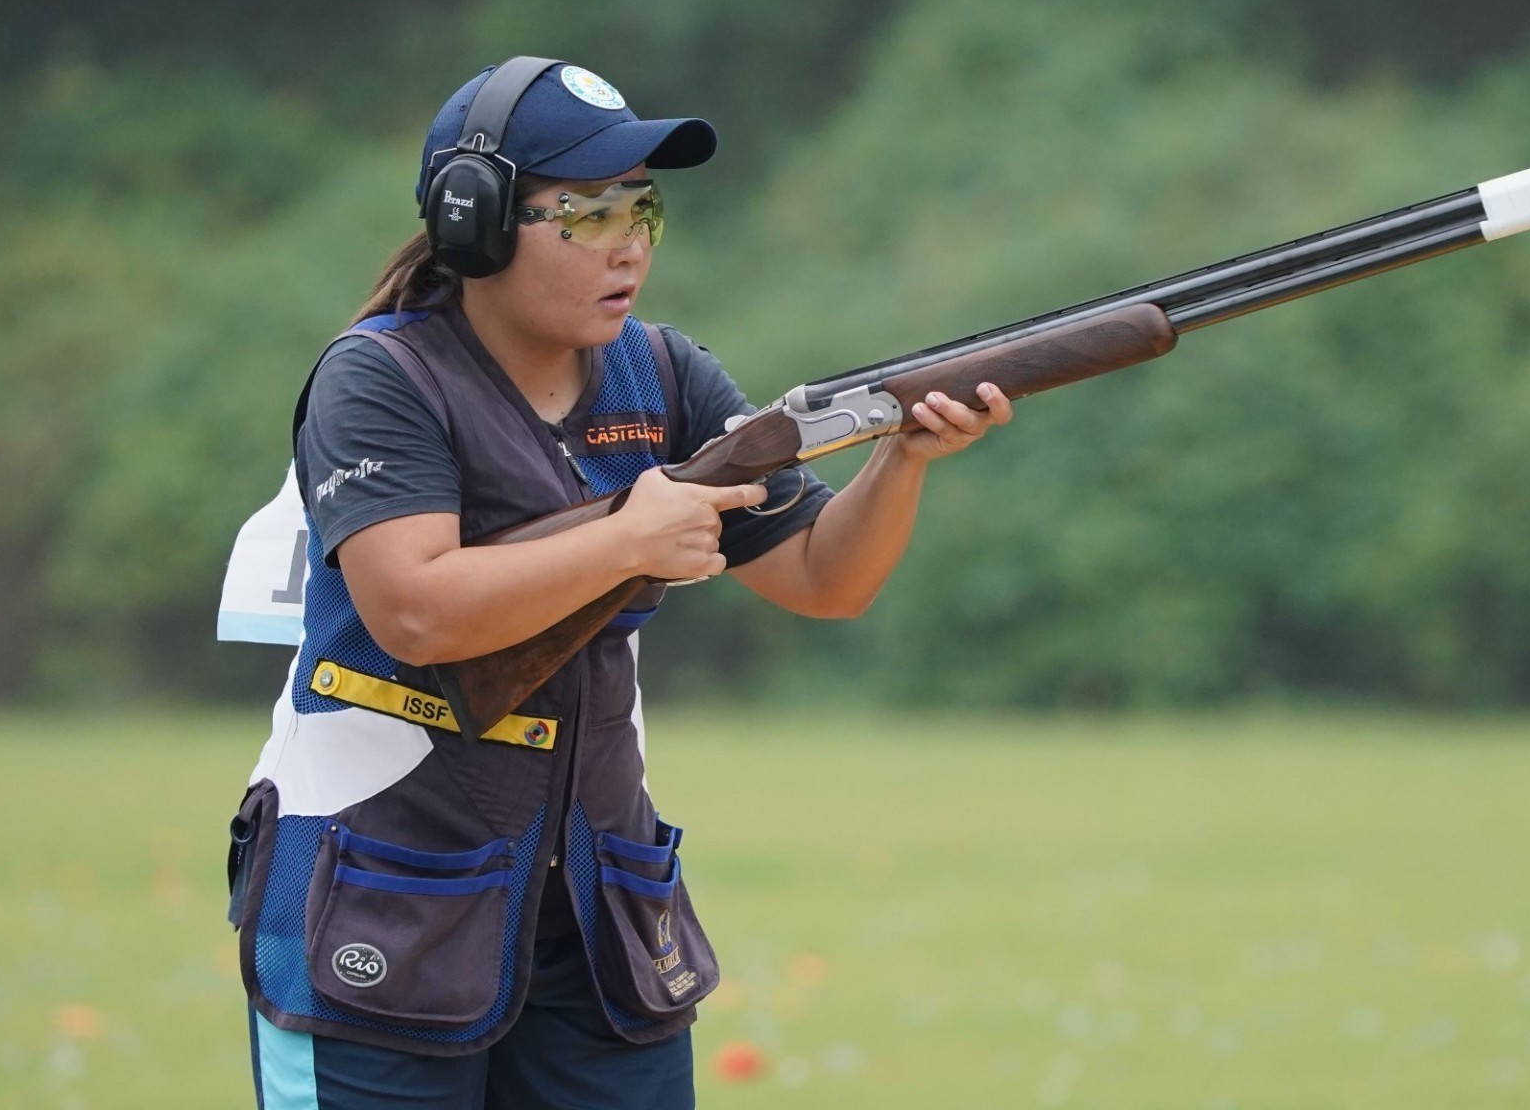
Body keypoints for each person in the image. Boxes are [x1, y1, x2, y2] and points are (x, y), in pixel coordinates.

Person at [226, 56, 1013, 1110]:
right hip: (380, 896)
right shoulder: (381, 377)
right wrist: (627, 539)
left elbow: (826, 576)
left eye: (641, 205)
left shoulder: (666, 373)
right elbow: (413, 610)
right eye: (589, 212)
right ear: (476, 220)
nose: (631, 240)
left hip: (598, 916)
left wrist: (900, 457)